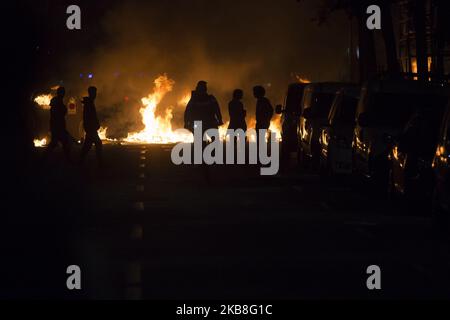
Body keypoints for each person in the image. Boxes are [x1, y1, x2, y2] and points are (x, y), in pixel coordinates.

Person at [44, 86, 71, 160]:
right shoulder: (56, 101)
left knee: (62, 143)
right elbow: (56, 114)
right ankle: (44, 158)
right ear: (59, 93)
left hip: (58, 126)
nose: (63, 94)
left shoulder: (58, 100)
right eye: (62, 92)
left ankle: (68, 159)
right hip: (57, 126)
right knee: (58, 143)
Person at [80, 86, 103, 166]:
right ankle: (100, 162)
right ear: (91, 93)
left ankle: (80, 160)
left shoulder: (90, 102)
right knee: (98, 143)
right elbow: (88, 116)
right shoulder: (89, 103)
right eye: (94, 93)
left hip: (90, 128)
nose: (95, 94)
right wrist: (91, 126)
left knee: (88, 145)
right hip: (91, 128)